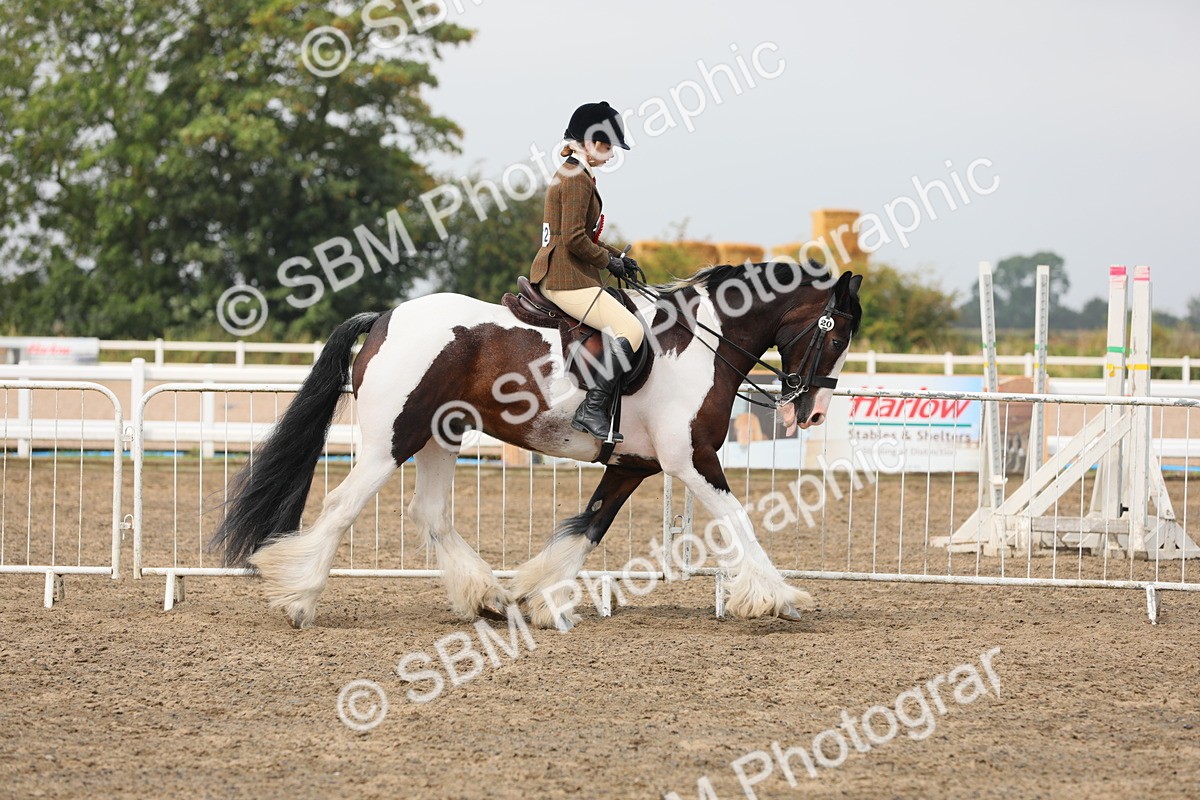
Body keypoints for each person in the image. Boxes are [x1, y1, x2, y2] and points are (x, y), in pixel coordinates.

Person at [529, 101, 644, 443]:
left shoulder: (571, 171)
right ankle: (592, 409)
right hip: (567, 278)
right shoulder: (577, 178)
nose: (610, 155)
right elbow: (576, 239)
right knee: (631, 330)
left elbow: (583, 236)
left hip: (565, 272)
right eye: (607, 146)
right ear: (592, 140)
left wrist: (614, 256)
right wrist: (610, 263)